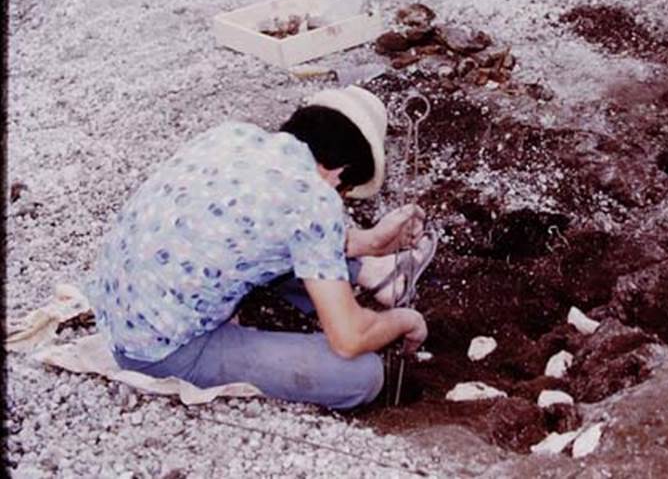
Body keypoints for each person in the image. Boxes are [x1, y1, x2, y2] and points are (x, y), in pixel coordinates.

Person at [85, 86, 436, 410]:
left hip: (121, 312)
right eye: (344, 192)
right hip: (158, 352)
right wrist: (404, 320)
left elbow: (275, 228)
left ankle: (374, 278)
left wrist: (371, 243)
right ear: (339, 173)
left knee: (284, 245)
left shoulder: (231, 136)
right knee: (361, 374)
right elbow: (348, 338)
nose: (339, 201)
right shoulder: (313, 199)